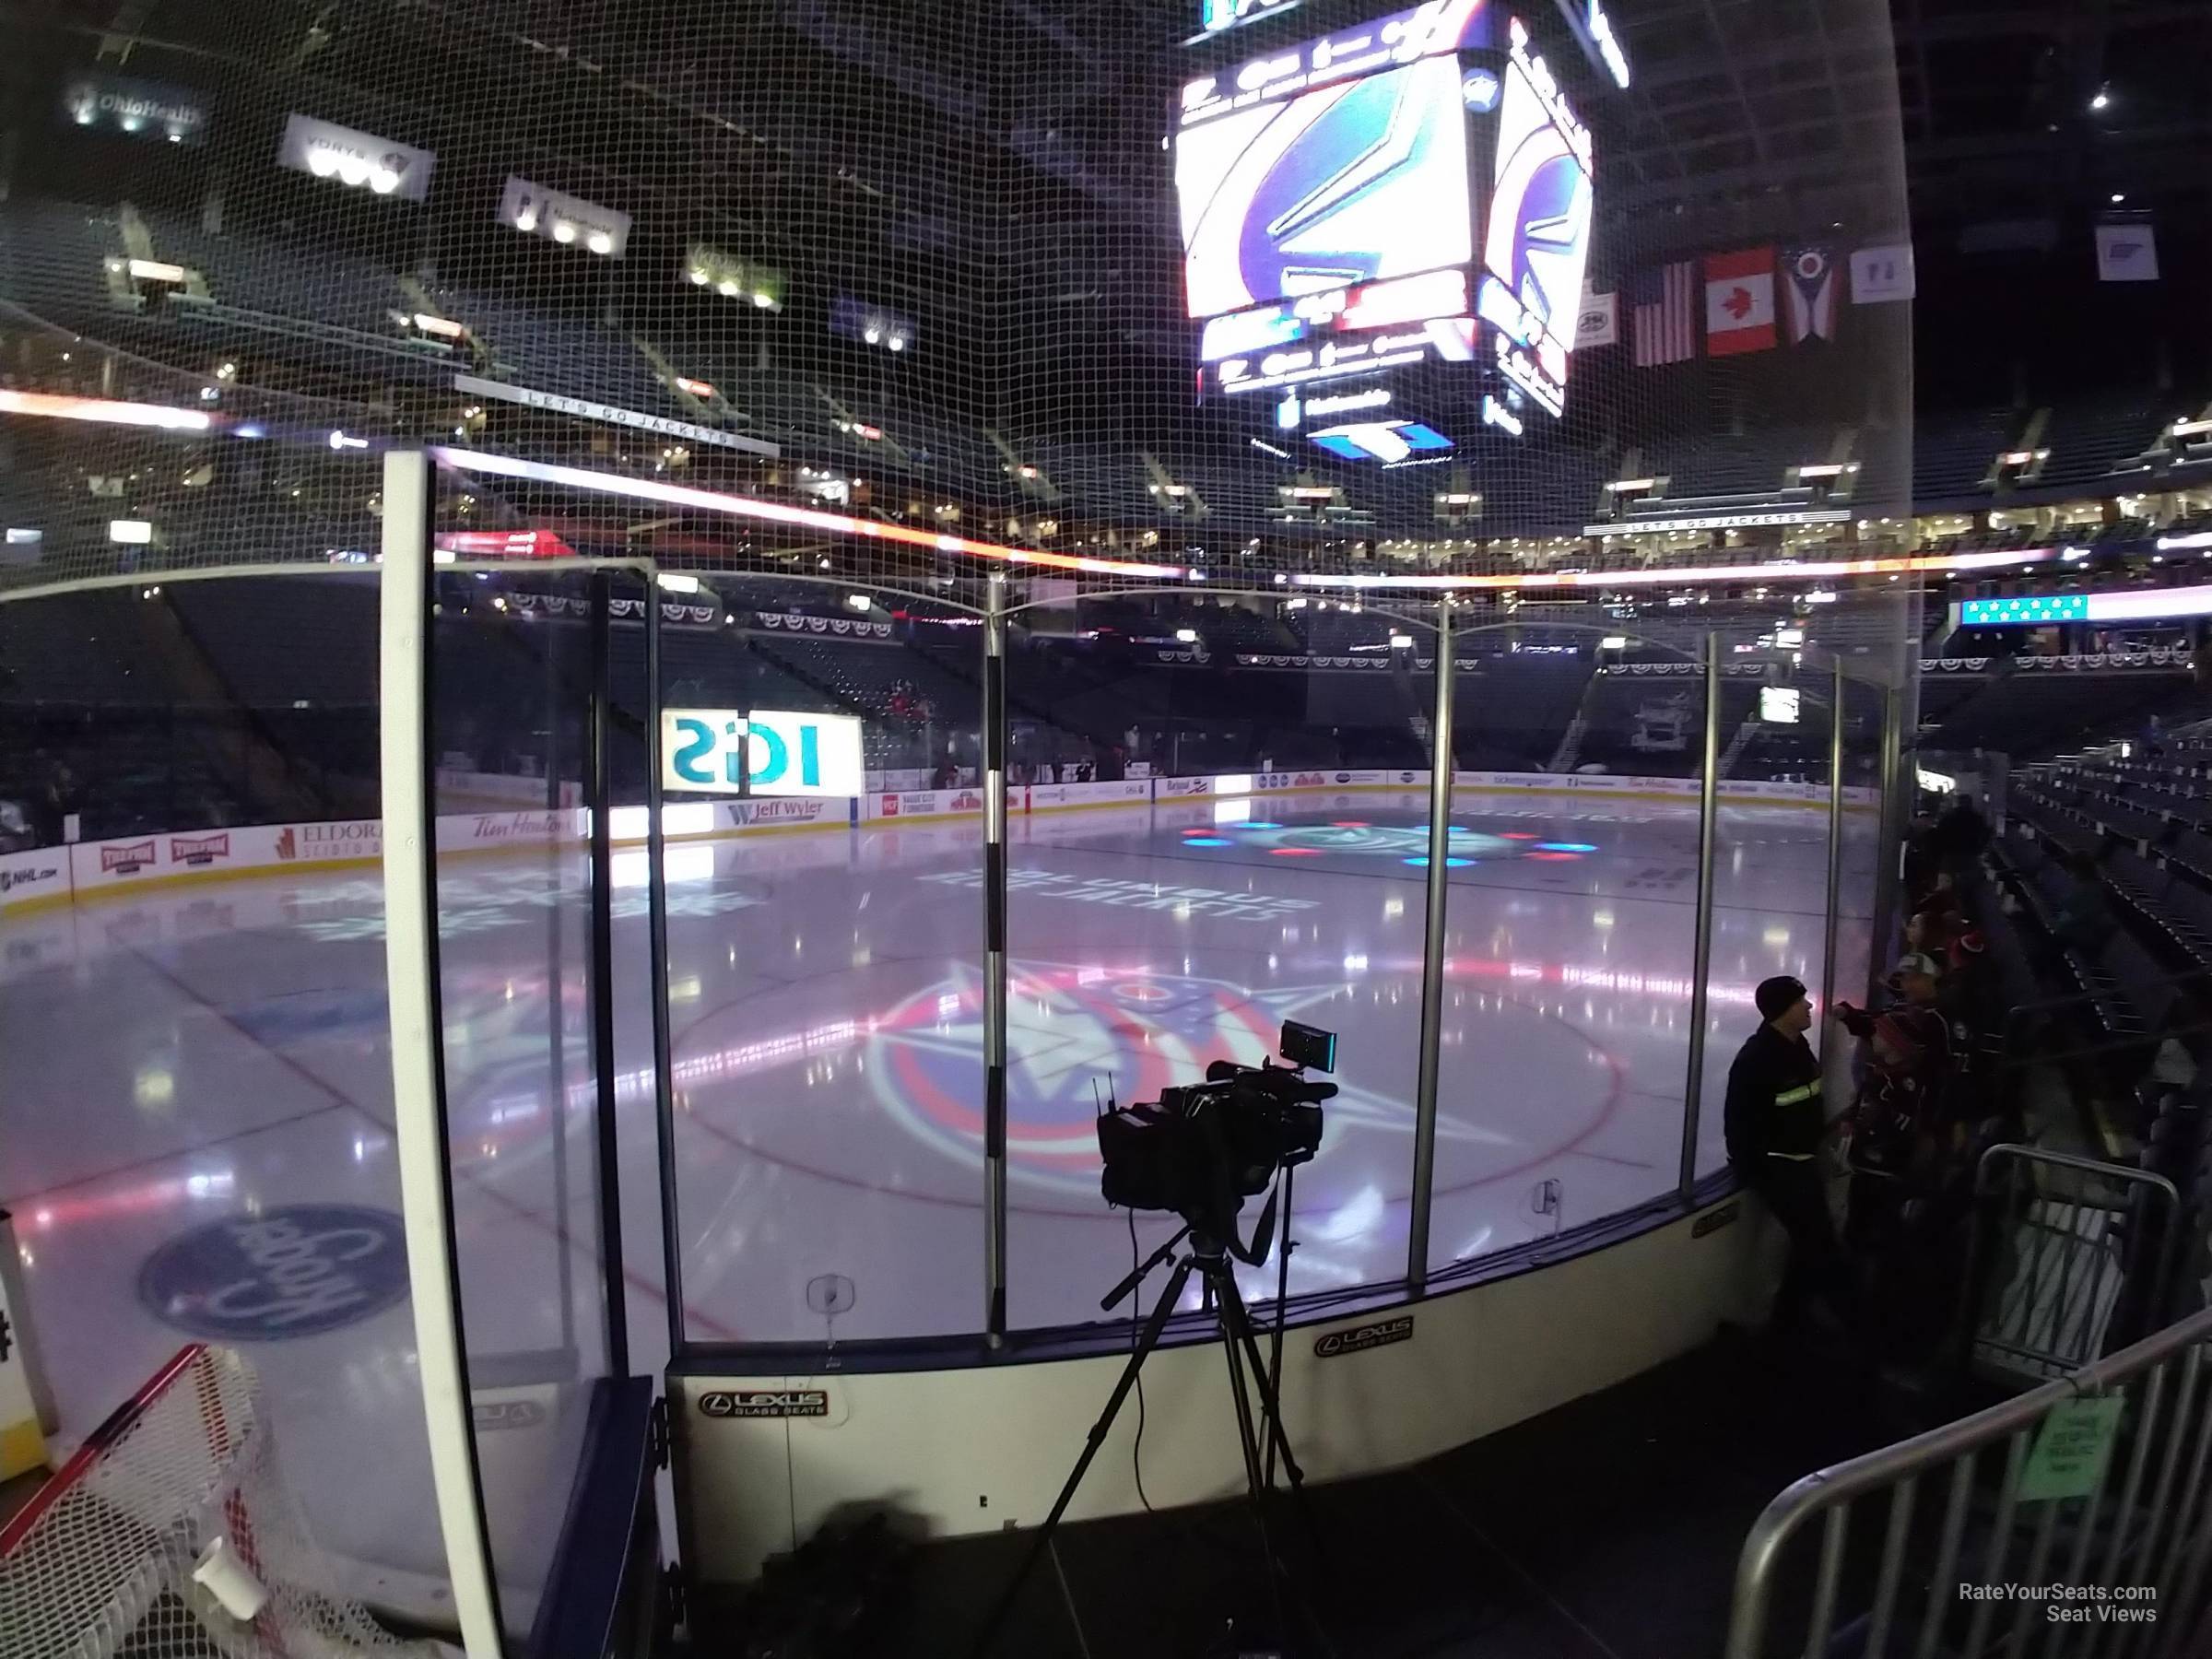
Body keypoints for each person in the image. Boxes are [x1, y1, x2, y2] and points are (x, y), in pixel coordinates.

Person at [1725, 976, 1853, 1335]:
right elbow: (1738, 1122)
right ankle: (1840, 1320)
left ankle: (1791, 1315)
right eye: (1801, 1002)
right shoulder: (1758, 1059)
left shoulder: (1797, 1047)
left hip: (1802, 1161)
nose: (1810, 1006)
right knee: (1820, 1242)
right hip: (1781, 1168)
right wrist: (1757, 1170)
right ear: (1783, 1011)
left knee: (1810, 1243)